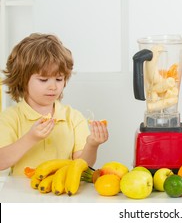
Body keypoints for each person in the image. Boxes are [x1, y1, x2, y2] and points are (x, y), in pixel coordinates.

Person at [0, 33, 109, 176]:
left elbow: (83, 166)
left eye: (59, 79)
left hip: (63, 193)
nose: (53, 87)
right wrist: (31, 138)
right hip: (23, 196)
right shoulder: (10, 117)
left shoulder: (73, 118)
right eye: (43, 80)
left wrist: (92, 144)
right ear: (22, 79)